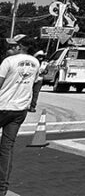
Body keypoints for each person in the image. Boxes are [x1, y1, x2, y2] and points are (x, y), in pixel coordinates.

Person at [0, 35, 42, 196]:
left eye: (14, 45)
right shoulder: (35, 63)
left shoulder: (9, 61)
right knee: (7, 149)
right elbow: (37, 81)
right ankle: (2, 188)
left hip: (2, 106)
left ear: (20, 46)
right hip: (19, 110)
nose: (11, 48)